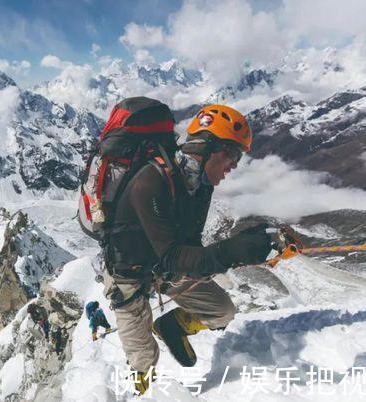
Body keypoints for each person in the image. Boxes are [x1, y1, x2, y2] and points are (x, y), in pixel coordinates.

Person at [101, 104, 272, 394]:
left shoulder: (198, 185)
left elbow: (187, 245)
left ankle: (172, 326)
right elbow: (173, 255)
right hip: (128, 275)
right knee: (144, 362)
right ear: (210, 149)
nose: (234, 166)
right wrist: (232, 251)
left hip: (165, 267)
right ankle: (144, 396)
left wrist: (247, 246)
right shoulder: (150, 182)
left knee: (222, 312)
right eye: (233, 155)